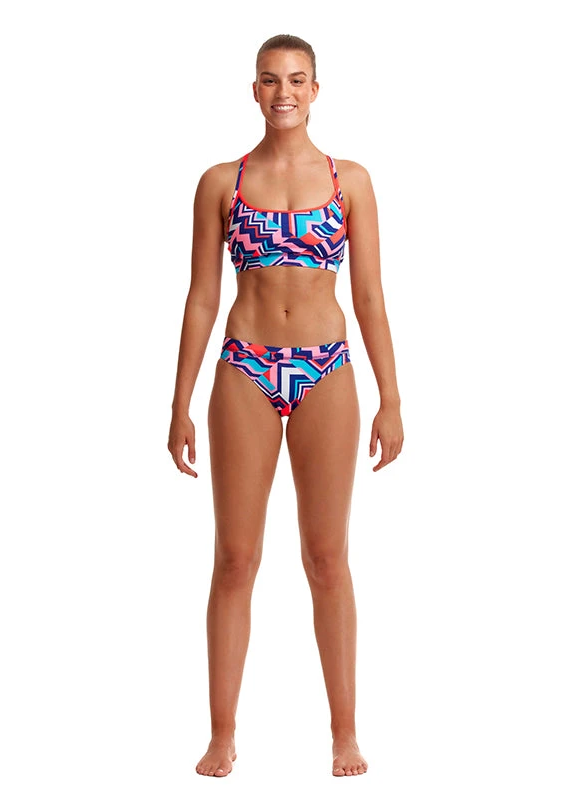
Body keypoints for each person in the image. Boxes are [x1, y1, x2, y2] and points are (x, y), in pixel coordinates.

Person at [168, 33, 403, 778]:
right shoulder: (222, 183)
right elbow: (202, 297)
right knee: (235, 558)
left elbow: (370, 296)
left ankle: (345, 733)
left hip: (327, 368)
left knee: (327, 558)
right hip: (244, 365)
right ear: (255, 90)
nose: (284, 93)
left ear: (316, 89)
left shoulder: (349, 181)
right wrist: (179, 403)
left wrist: (392, 397)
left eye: (297, 80)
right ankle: (222, 733)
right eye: (270, 80)